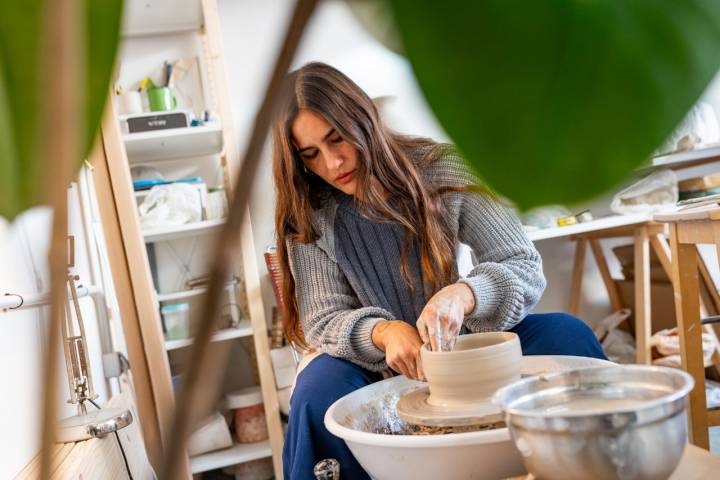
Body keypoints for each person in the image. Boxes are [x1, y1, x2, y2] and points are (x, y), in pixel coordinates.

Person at [272, 62, 606, 479]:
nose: (333, 162)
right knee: (315, 394)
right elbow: (323, 317)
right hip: (372, 363)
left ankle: (600, 465)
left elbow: (521, 263)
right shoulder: (311, 213)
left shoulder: (441, 167)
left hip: (462, 344)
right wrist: (385, 331)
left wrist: (464, 296)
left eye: (337, 138)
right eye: (311, 155)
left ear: (363, 119)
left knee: (567, 335)